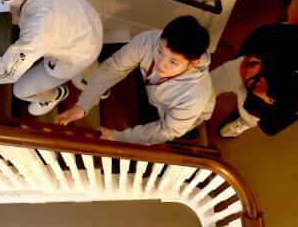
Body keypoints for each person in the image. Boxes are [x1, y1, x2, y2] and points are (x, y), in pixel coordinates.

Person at [55, 16, 215, 145]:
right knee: (148, 114)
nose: (160, 63)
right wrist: (82, 106)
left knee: (178, 129)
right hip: (153, 93)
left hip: (180, 111)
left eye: (173, 62)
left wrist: (118, 137)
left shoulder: (194, 98)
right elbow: (112, 69)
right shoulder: (149, 40)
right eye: (160, 51)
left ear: (193, 64)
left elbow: (166, 131)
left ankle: (189, 132)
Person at [211, 23, 298, 138]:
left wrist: (265, 126)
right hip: (242, 70)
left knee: (249, 118)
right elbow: (257, 34)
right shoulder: (284, 32)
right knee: (210, 85)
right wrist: (246, 57)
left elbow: (286, 116)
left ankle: (243, 123)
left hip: (257, 106)